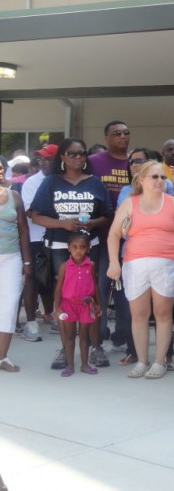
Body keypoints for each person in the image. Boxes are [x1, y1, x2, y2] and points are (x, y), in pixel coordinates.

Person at [31, 139, 113, 371]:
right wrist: (62, 224)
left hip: (90, 246)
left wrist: (93, 223)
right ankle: (65, 348)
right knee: (67, 298)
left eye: (82, 153)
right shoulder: (51, 182)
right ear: (63, 157)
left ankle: (95, 346)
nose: (78, 157)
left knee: (91, 296)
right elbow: (35, 215)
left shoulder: (95, 183)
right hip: (59, 247)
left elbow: (107, 215)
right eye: (73, 153)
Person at [106, 160, 174, 379]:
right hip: (135, 263)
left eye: (162, 177)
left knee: (163, 314)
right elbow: (114, 234)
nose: (160, 181)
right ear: (141, 180)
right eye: (154, 177)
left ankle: (160, 361)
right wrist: (114, 263)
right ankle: (142, 360)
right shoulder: (129, 203)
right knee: (139, 315)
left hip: (167, 263)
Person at [88, 120, 131, 349]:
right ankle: (99, 332)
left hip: (132, 239)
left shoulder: (135, 162)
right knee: (101, 286)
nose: (122, 137)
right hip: (102, 236)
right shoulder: (94, 162)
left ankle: (123, 333)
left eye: (126, 133)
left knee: (125, 289)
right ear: (106, 137)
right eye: (116, 133)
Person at [20, 144, 58, 342]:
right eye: (41, 158)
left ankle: (52, 314)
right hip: (36, 238)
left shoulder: (63, 180)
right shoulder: (32, 182)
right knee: (33, 279)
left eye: (48, 158)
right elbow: (30, 212)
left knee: (55, 279)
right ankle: (31, 322)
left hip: (59, 237)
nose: (43, 162)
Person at [53, 232, 102, 377]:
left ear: (88, 248)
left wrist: (98, 304)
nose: (78, 250)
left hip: (85, 305)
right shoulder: (64, 267)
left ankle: (85, 365)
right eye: (74, 247)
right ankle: (69, 365)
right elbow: (59, 288)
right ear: (68, 248)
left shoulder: (91, 265)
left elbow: (95, 285)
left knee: (84, 336)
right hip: (69, 305)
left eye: (82, 247)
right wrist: (57, 307)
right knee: (69, 336)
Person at [0, 158, 32, 373]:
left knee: (9, 307)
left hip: (11, 259)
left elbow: (23, 230)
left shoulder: (15, 196)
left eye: (1, 167)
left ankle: (2, 357)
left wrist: (27, 260)